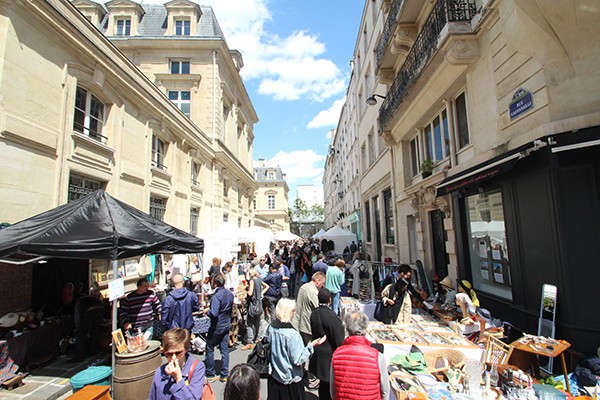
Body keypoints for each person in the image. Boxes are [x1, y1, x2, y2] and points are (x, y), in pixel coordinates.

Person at [267, 299, 326, 400]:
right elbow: (298, 359)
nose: (294, 313)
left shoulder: (271, 328)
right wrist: (311, 346)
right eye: (293, 310)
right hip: (290, 379)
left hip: (275, 376)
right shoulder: (292, 335)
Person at [330, 312, 390, 400]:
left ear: (347, 329)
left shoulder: (337, 354)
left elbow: (332, 389)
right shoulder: (377, 356)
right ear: (365, 329)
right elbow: (385, 391)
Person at [148, 328, 205, 399]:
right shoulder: (159, 372)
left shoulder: (197, 368)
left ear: (185, 350)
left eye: (178, 353)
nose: (174, 358)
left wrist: (178, 378)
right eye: (169, 354)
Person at [309, 288, 345, 400]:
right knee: (328, 385)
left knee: (323, 385)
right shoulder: (331, 316)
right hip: (329, 355)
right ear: (330, 300)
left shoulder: (314, 313)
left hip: (318, 352)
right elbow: (338, 338)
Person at [203, 274, 234, 383]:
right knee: (224, 349)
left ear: (215, 283)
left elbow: (214, 314)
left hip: (217, 325)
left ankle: (210, 373)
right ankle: (224, 374)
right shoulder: (229, 294)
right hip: (226, 324)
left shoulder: (216, 296)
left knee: (210, 347)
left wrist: (207, 312)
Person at [69, 289, 105, 362]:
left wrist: (77, 326)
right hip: (101, 308)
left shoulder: (79, 302)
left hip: (91, 310)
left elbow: (77, 316)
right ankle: (93, 350)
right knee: (95, 330)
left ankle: (79, 356)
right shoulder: (90, 298)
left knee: (81, 334)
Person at [292, 271, 326, 344]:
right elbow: (317, 308)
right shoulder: (313, 291)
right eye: (323, 283)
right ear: (318, 281)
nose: (323, 286)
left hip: (299, 322)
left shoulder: (303, 287)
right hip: (307, 325)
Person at [242, 268, 268, 350]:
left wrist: (246, 290)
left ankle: (250, 341)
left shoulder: (252, 281)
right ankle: (257, 338)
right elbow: (267, 286)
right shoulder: (259, 280)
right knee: (257, 322)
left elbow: (250, 293)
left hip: (253, 304)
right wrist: (261, 293)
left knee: (249, 323)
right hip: (259, 303)